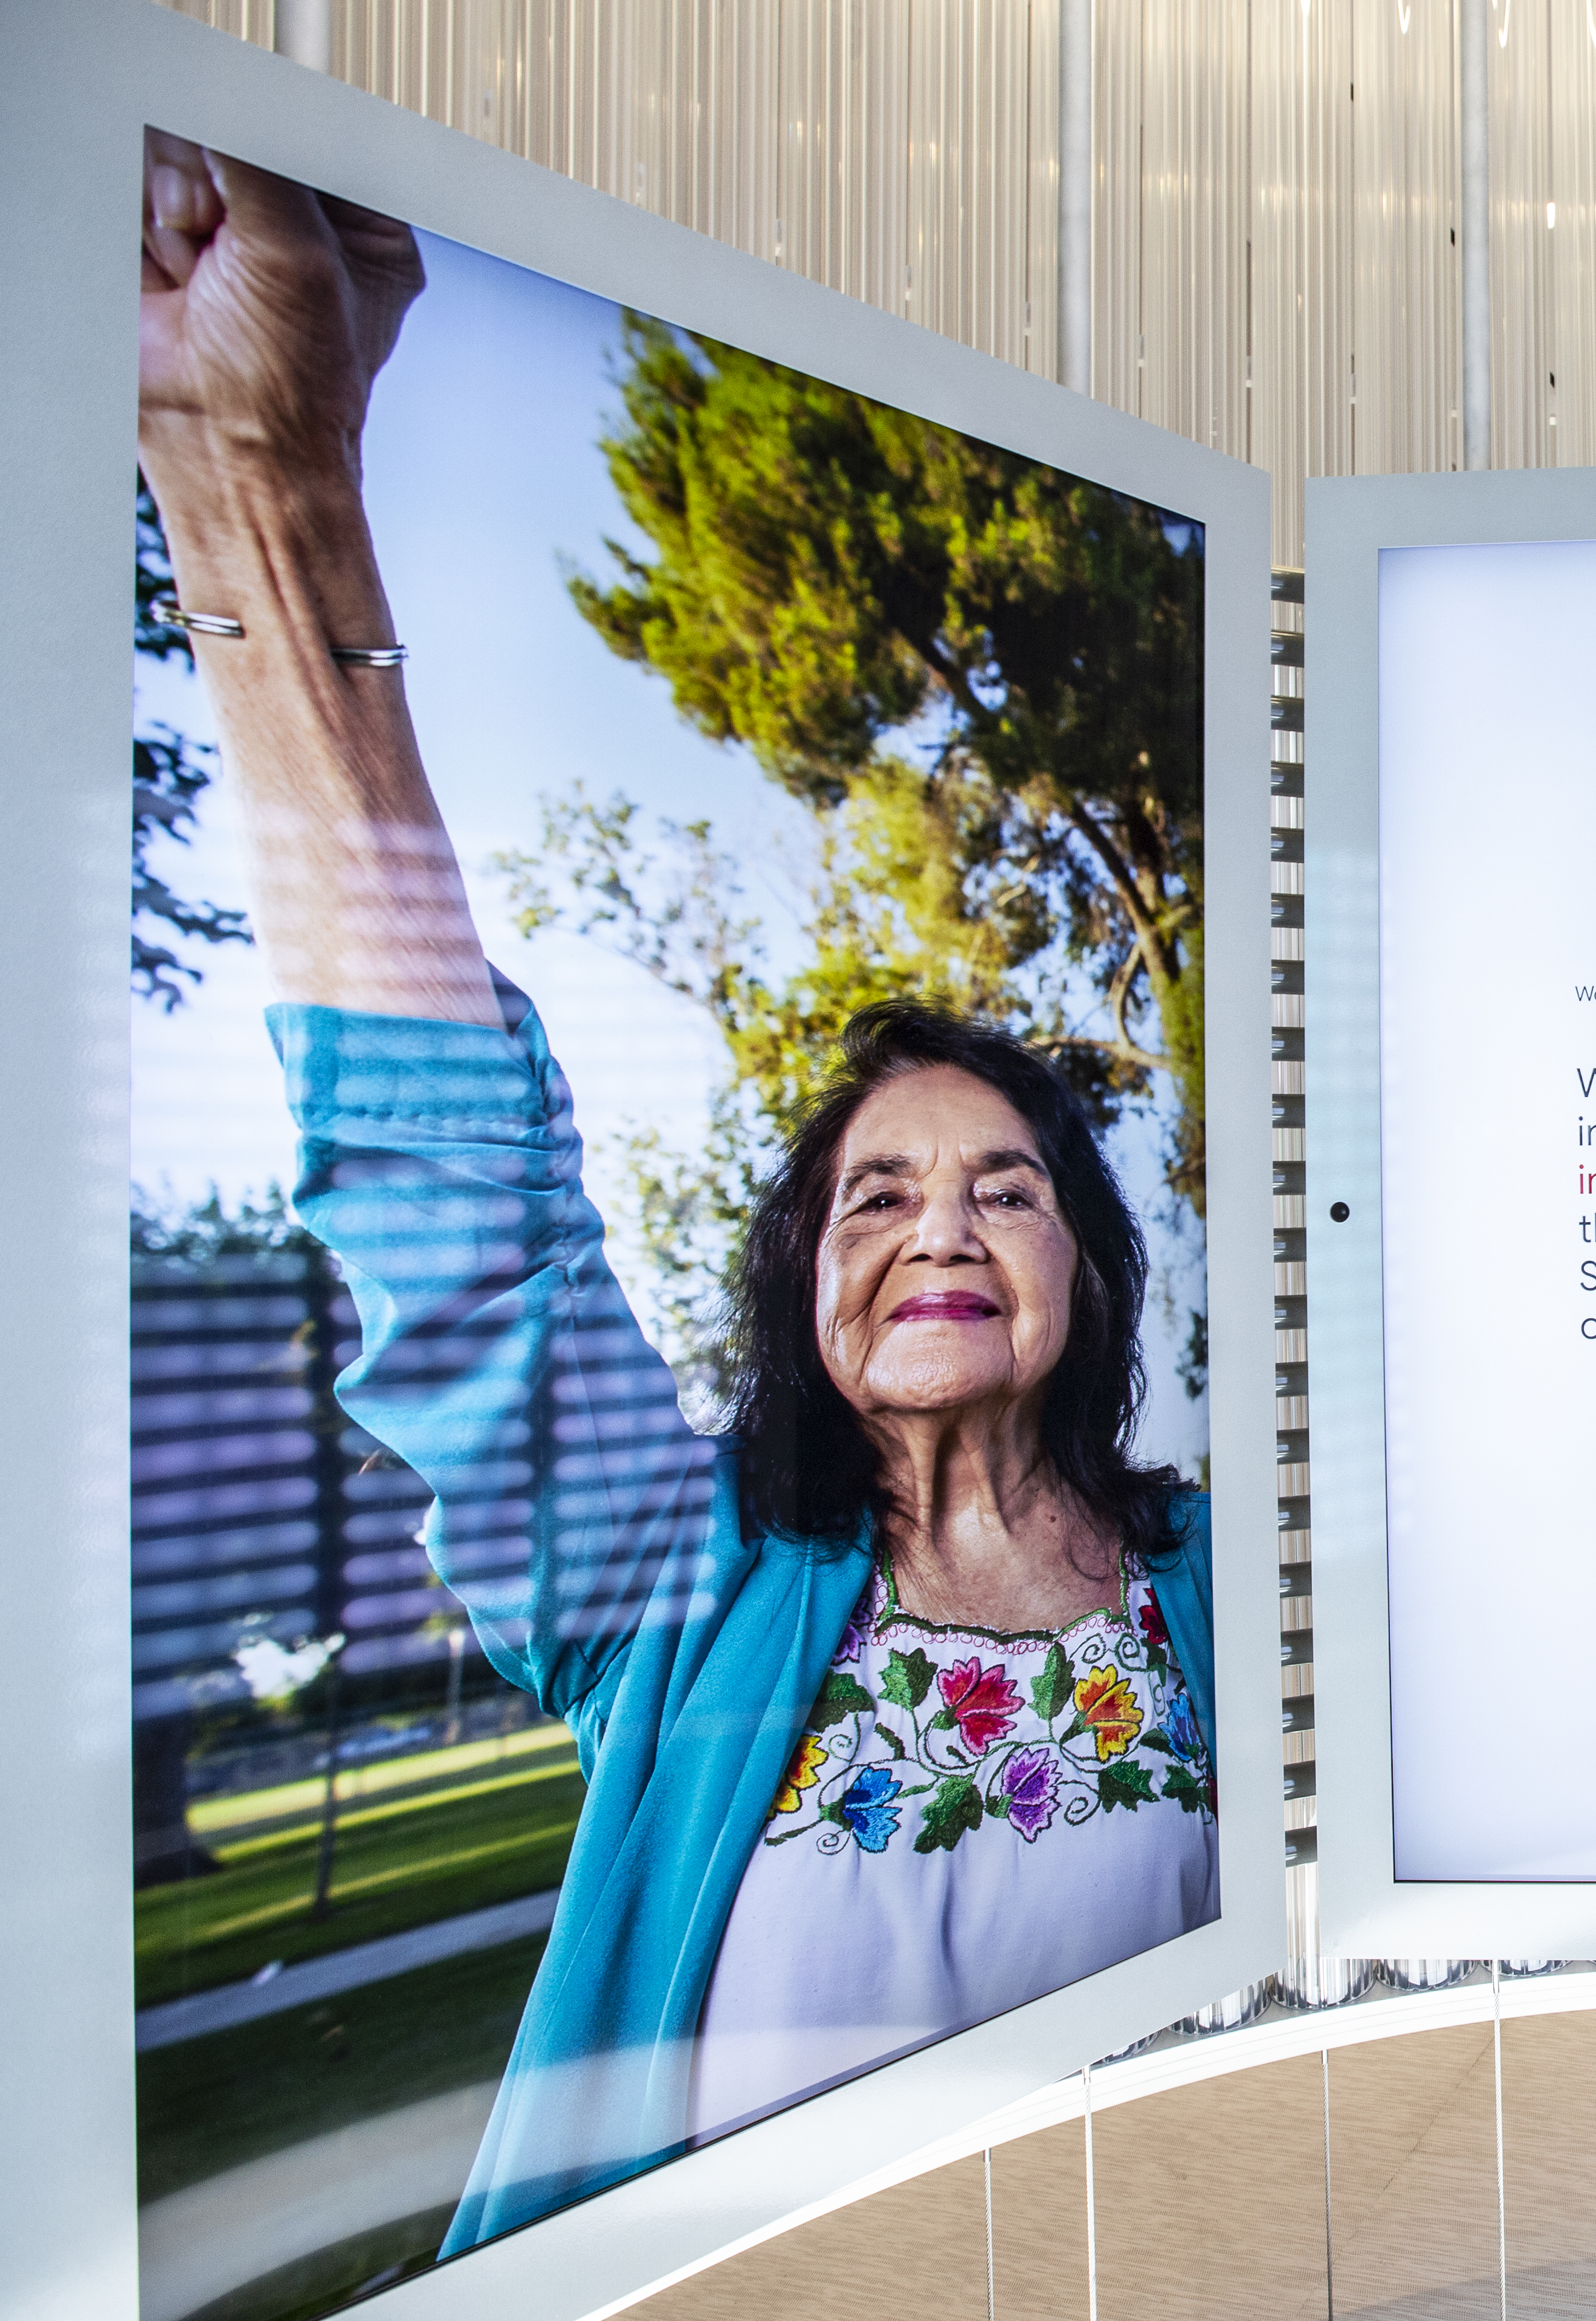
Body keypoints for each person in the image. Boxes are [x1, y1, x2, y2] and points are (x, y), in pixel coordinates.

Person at [137, 135, 1219, 2250]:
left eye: (1008, 1191)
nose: (938, 1227)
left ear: (1086, 1270)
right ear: (806, 1279)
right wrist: (263, 490)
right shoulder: (680, 1573)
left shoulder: (1234, 1604)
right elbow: (462, 1211)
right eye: (875, 1196)